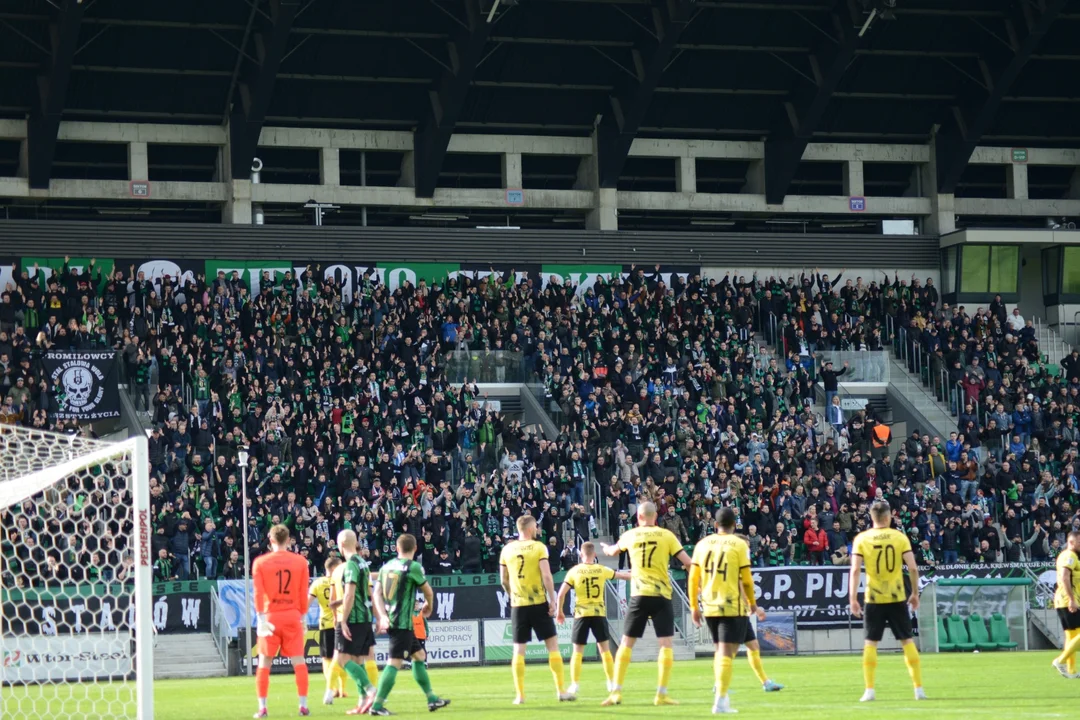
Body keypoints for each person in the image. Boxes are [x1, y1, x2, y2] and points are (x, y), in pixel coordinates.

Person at [689, 508, 782, 715]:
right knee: (725, 652)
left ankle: (731, 688)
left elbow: (693, 578)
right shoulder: (739, 545)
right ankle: (720, 700)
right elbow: (746, 580)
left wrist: (694, 606)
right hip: (732, 605)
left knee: (727, 650)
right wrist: (753, 605)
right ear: (734, 525)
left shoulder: (702, 544)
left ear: (715, 524)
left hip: (710, 606)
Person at [601, 501, 692, 706]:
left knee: (626, 643)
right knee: (666, 645)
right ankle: (661, 693)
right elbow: (687, 562)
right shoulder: (667, 535)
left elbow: (613, 552)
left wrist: (606, 548)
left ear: (639, 518)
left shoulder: (630, 535)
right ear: (655, 517)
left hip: (639, 594)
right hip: (661, 596)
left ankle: (616, 692)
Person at [848, 501, 926, 703]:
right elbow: (914, 568)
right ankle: (918, 689)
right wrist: (915, 593)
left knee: (870, 643)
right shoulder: (899, 537)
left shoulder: (862, 539)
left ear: (871, 517)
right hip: (897, 596)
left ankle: (869, 690)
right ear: (889, 517)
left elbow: (855, 570)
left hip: (873, 597)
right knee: (907, 641)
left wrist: (852, 599)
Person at [370, 533, 451, 715]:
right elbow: (428, 591)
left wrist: (382, 615)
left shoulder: (386, 567)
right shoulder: (413, 567)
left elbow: (376, 594)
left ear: (397, 548)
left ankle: (432, 699)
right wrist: (429, 606)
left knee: (420, 655)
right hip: (402, 623)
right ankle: (376, 706)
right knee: (394, 663)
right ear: (415, 549)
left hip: (392, 619)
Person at [499, 514, 572, 704]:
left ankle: (520, 695)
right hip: (538, 602)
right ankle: (561, 691)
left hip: (518, 605)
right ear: (532, 529)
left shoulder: (507, 549)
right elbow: (547, 576)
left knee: (518, 651)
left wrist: (511, 595)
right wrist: (553, 600)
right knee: (553, 647)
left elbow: (503, 580)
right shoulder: (539, 547)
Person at [554, 541, 631, 696]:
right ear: (594, 554)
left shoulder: (574, 571)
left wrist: (559, 612)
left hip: (581, 614)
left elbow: (561, 594)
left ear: (581, 555)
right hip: (598, 613)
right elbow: (621, 575)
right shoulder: (601, 569)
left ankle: (575, 685)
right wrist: (636, 576)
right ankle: (611, 683)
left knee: (577, 652)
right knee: (605, 651)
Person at [251, 524, 311, 718]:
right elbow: (303, 592)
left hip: (270, 616)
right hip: (292, 614)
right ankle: (303, 705)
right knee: (299, 661)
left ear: (271, 540)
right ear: (289, 540)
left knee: (264, 663)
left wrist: (261, 618)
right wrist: (303, 617)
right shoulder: (300, 561)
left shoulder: (260, 562)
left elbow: (258, 593)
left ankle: (263, 707)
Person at [329, 530, 378, 715]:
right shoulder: (363, 563)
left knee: (342, 660)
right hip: (365, 617)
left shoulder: (350, 565)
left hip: (354, 618)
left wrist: (343, 620)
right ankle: (362, 703)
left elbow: (349, 594)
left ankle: (370, 690)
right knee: (358, 660)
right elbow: (366, 592)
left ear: (341, 545)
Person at [310, 556, 346, 705]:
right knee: (342, 657)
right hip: (340, 622)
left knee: (327, 659)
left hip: (325, 624)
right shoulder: (339, 582)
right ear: (334, 568)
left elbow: (308, 602)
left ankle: (332, 688)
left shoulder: (317, 583)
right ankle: (343, 689)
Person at [1051, 530, 1080, 677]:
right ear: (1071, 542)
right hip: (1067, 600)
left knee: (1072, 636)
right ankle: (1061, 660)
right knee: (1074, 636)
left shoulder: (1074, 556)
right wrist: (1072, 599)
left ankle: (1072, 670)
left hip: (1066, 600)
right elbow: (1064, 576)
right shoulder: (1069, 556)